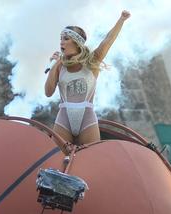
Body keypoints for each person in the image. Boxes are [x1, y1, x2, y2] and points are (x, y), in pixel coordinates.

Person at [44, 10, 131, 147]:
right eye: (60, 38)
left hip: (87, 117)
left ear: (77, 43)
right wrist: (55, 64)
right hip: (64, 116)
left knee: (91, 158)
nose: (62, 42)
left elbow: (108, 40)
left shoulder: (93, 61)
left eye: (66, 38)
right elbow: (48, 92)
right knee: (58, 159)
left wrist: (121, 19)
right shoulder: (60, 66)